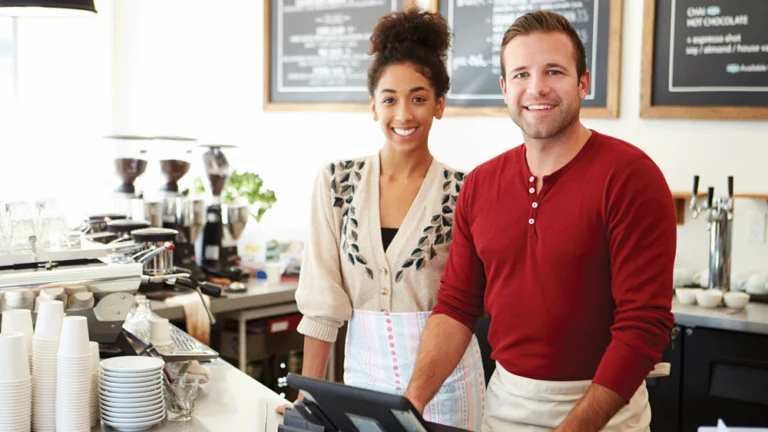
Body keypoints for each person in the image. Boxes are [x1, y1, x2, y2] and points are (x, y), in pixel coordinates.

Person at [404, 10, 677, 432]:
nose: (537, 88)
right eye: (521, 74)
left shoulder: (631, 177)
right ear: (504, 88)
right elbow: (457, 307)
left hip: (605, 412)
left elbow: (643, 326)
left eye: (554, 71)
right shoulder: (479, 185)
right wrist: (411, 404)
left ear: (583, 82)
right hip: (505, 406)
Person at [277, 8, 485, 431]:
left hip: (447, 390)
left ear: (440, 104)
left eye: (419, 97)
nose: (404, 114)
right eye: (390, 98)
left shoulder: (467, 190)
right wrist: (306, 397)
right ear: (373, 106)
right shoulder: (336, 183)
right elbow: (322, 301)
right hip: (363, 384)